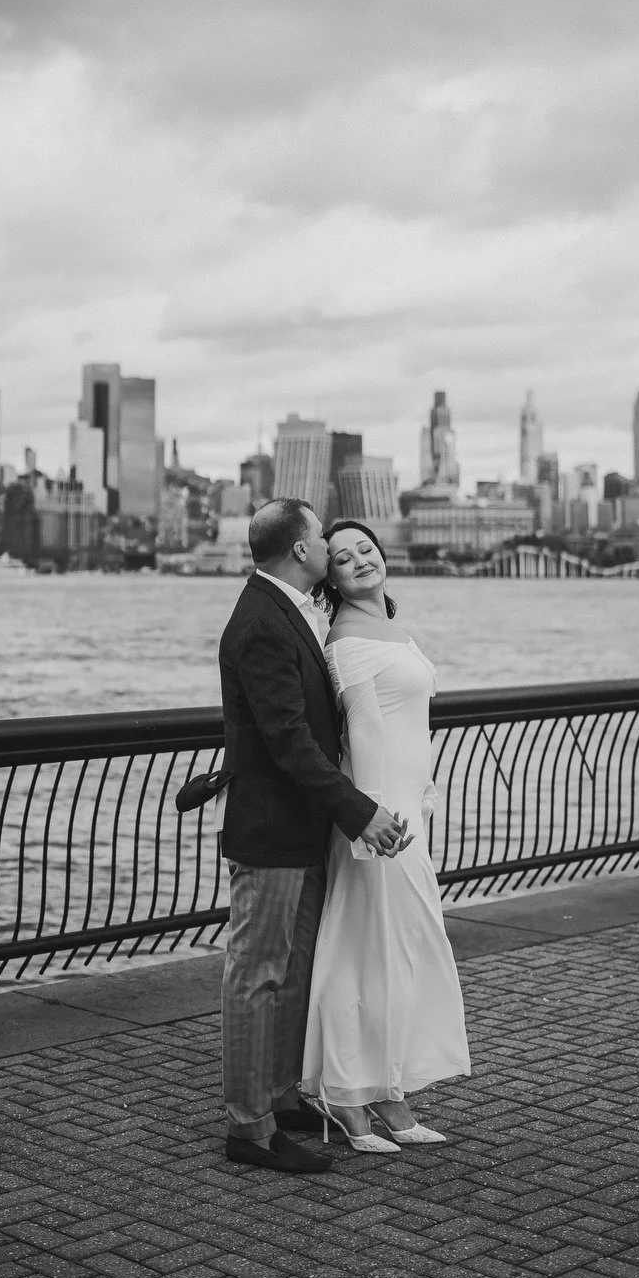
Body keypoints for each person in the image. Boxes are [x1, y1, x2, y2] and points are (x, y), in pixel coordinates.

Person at [217, 498, 412, 1174]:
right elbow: (289, 742)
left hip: (301, 827)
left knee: (293, 971)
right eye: (322, 539)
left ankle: (279, 1096)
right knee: (257, 974)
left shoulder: (290, 610)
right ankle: (249, 1127)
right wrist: (360, 812)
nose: (332, 546)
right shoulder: (261, 622)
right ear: (301, 550)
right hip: (271, 831)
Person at [300, 519, 471, 1150]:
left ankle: (386, 1091)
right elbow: (365, 731)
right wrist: (368, 824)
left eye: (365, 549)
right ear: (332, 578)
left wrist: (420, 797)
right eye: (343, 558)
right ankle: (347, 1097)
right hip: (381, 822)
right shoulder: (348, 638)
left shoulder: (387, 626)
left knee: (394, 954)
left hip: (405, 813)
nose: (359, 561)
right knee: (366, 954)